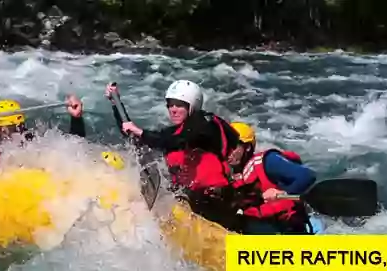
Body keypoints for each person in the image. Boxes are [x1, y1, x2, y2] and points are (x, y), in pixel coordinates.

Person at [116, 80, 240, 227]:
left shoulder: (206, 125)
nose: (173, 109)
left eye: (179, 105)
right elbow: (136, 137)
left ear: (192, 106)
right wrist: (116, 104)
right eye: (170, 104)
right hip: (192, 202)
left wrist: (141, 132)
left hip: (215, 203)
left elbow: (180, 139)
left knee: (183, 199)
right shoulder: (173, 133)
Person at [226, 122, 317, 234]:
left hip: (289, 231)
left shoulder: (268, 162)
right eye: (225, 146)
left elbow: (307, 176)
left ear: (247, 148)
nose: (228, 152)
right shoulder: (230, 175)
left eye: (233, 146)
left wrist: (283, 193)